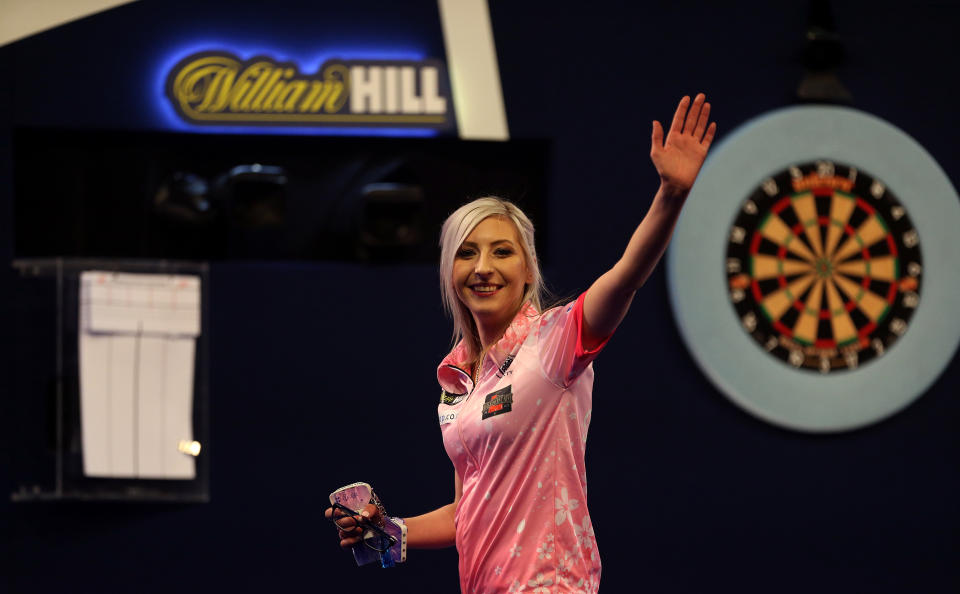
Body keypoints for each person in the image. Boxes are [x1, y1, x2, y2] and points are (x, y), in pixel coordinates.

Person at [325, 94, 717, 593]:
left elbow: (625, 279)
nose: (483, 267)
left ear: (528, 268)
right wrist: (389, 530)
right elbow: (470, 510)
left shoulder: (554, 342)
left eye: (502, 252)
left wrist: (672, 196)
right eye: (467, 253)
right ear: (449, 272)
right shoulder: (455, 381)